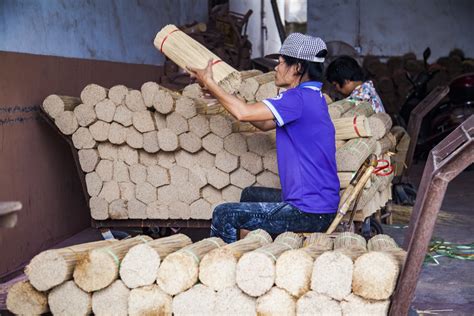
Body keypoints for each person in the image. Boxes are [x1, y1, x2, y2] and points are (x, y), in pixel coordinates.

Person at [187, 33, 340, 243]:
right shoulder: (312, 96)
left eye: (281, 62)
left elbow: (243, 114)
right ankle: (249, 252)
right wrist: (220, 95)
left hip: (309, 212)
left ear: (297, 68)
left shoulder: (297, 99)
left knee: (225, 213)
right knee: (251, 195)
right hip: (319, 205)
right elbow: (264, 122)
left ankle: (221, 270)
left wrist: (209, 81)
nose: (277, 67)